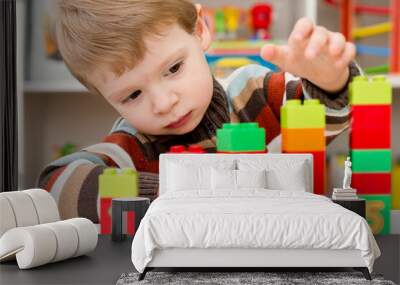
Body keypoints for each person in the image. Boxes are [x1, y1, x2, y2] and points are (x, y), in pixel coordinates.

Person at [37, 0, 361, 222]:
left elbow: (331, 119)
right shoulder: (133, 145)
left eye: (174, 68)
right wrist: (171, 188)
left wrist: (330, 81)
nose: (164, 103)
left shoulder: (255, 93)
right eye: (132, 94)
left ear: (200, 30)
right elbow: (55, 187)